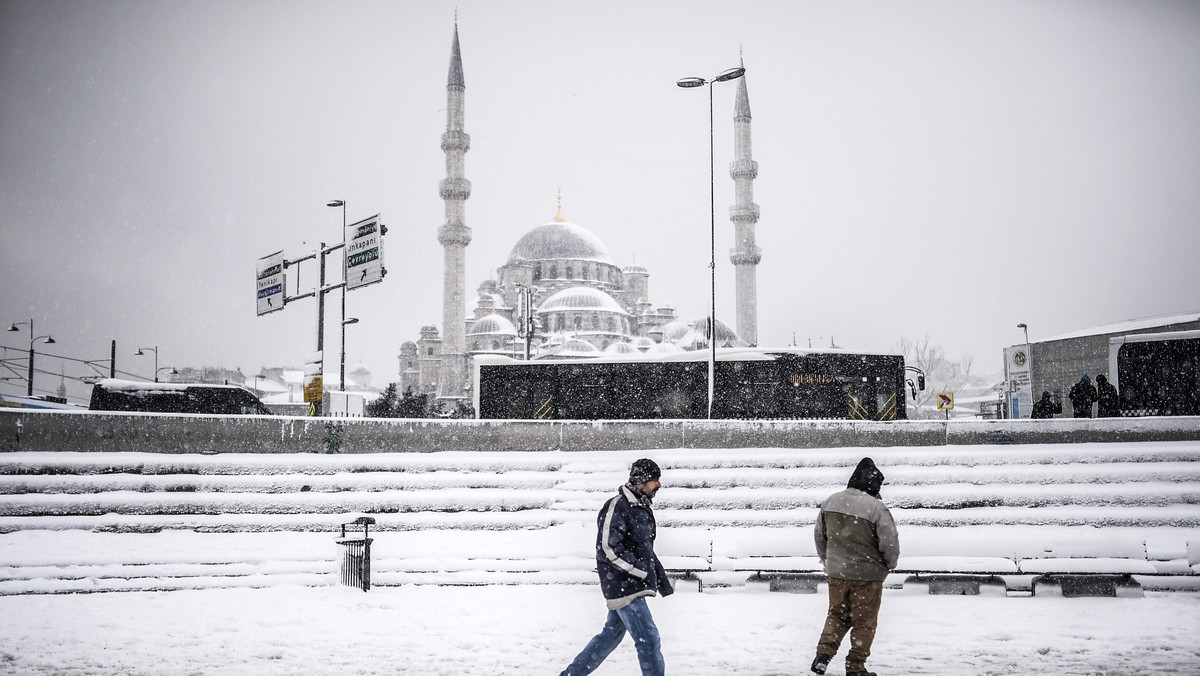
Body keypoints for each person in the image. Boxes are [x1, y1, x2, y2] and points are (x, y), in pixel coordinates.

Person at [560, 458, 673, 676]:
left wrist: (659, 578)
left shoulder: (641, 508)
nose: (659, 485)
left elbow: (644, 548)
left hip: (631, 583)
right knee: (648, 640)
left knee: (609, 637)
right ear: (641, 481)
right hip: (624, 585)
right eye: (655, 480)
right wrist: (639, 570)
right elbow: (608, 548)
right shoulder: (618, 506)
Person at [810, 458, 899, 676]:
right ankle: (856, 667)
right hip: (867, 576)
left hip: (837, 573)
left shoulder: (831, 501)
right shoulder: (877, 508)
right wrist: (889, 564)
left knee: (836, 615)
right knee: (864, 622)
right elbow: (889, 543)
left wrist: (827, 560)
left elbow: (819, 535)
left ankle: (823, 654)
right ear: (874, 486)